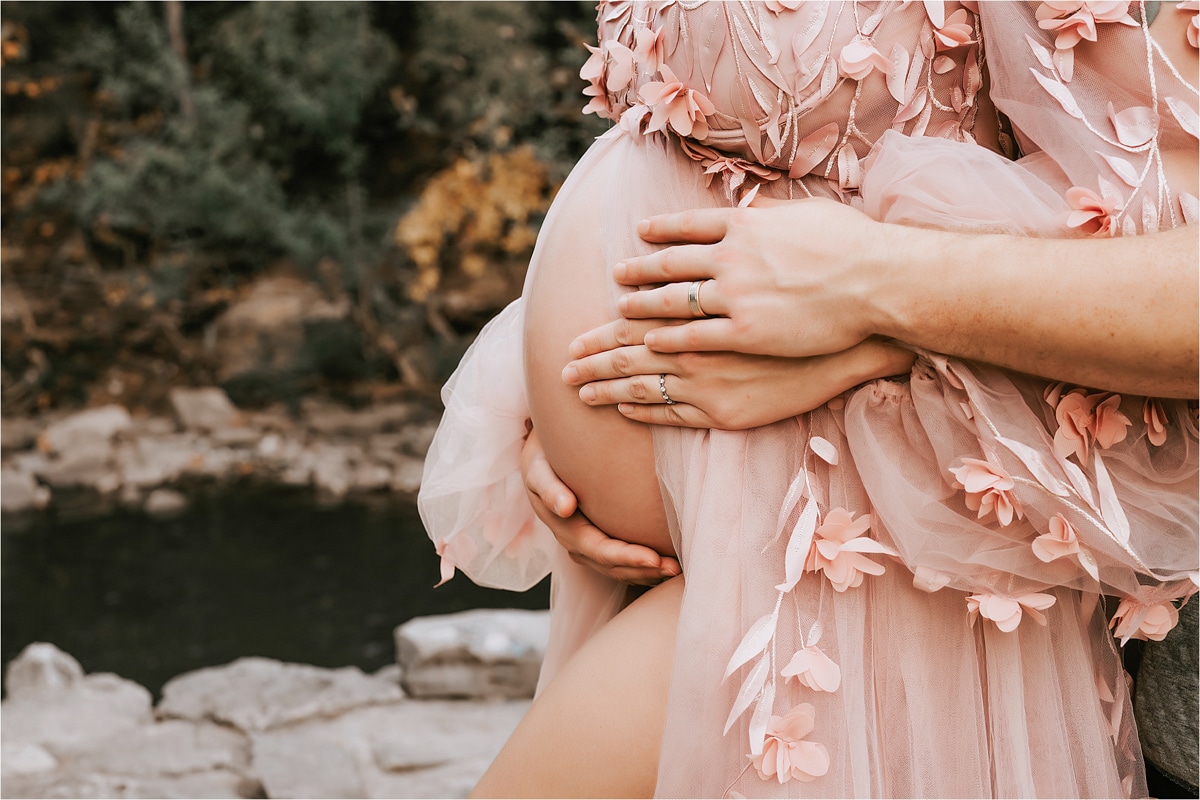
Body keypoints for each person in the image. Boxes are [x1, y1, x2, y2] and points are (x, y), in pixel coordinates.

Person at [420, 2, 1199, 796]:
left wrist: (869, 323)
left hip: (845, 531)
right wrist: (578, 360)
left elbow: (1140, 217)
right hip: (711, 499)